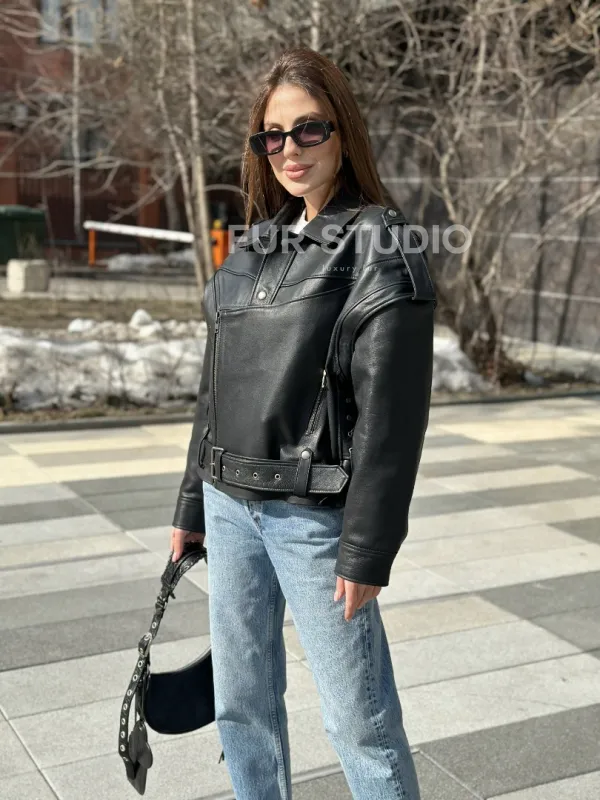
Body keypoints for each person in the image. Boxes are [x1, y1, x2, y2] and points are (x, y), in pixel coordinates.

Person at [170, 45, 436, 800]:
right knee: (241, 706)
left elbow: (392, 415)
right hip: (228, 505)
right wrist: (191, 506)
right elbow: (214, 388)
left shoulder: (381, 242)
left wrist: (368, 549)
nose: (290, 148)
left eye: (309, 128)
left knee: (360, 721)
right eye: (273, 135)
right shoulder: (256, 245)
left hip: (311, 517)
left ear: (343, 131)